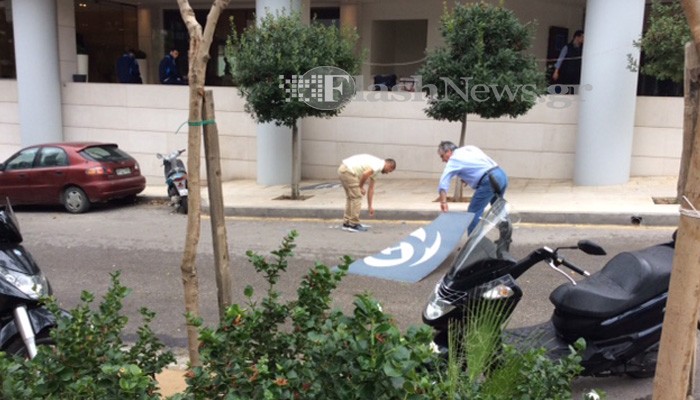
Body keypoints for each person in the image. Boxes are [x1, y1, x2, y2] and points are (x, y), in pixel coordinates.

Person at [436, 141, 508, 234]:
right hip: (500, 174)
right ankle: (506, 237)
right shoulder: (469, 148)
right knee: (498, 209)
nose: (443, 160)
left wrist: (443, 202)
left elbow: (443, 182)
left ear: (448, 151)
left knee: (473, 212)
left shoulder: (453, 160)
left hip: (489, 180)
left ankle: (474, 246)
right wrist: (468, 178)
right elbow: (479, 163)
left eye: (442, 156)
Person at [338, 154, 396, 232]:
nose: (387, 173)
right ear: (389, 166)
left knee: (351, 198)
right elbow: (365, 174)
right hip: (348, 171)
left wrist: (370, 206)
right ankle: (353, 224)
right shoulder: (379, 164)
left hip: (344, 169)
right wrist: (360, 187)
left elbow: (371, 188)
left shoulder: (376, 169)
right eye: (389, 171)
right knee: (357, 197)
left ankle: (347, 223)